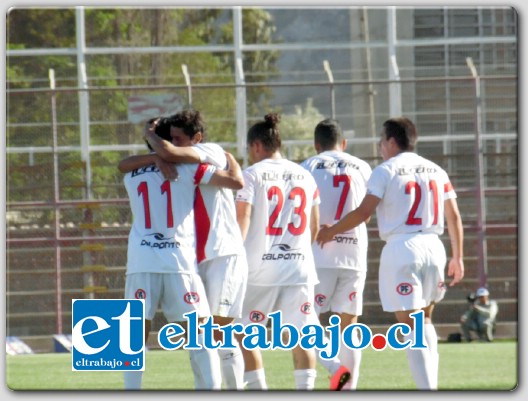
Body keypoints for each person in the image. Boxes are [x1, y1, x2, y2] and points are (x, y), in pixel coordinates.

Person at [317, 117, 464, 390]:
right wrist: (458, 256)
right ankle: (430, 386)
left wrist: (331, 230)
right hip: (435, 247)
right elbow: (453, 216)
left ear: (392, 141)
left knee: (410, 325)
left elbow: (363, 213)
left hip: (403, 249)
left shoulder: (386, 170)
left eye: (382, 141)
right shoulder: (436, 170)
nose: (381, 146)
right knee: (425, 319)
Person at [119, 110, 248, 390]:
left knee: (133, 338)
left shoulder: (131, 174)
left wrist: (152, 154)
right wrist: (231, 160)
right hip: (178, 261)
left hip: (140, 260)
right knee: (201, 338)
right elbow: (234, 182)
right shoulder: (191, 169)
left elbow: (122, 164)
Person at [234, 113, 321, 390]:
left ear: (257, 145)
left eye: (250, 149)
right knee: (302, 337)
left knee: (244, 333)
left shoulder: (251, 175)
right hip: (298, 268)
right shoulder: (304, 175)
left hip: (259, 270)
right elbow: (314, 226)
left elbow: (243, 218)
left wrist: (234, 255)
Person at [300, 118, 372, 390]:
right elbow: (367, 209)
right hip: (354, 254)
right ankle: (348, 389)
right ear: (344, 144)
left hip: (318, 255)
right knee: (349, 325)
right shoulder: (363, 166)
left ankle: (333, 367)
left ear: (316, 144)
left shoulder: (307, 166)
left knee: (306, 320)